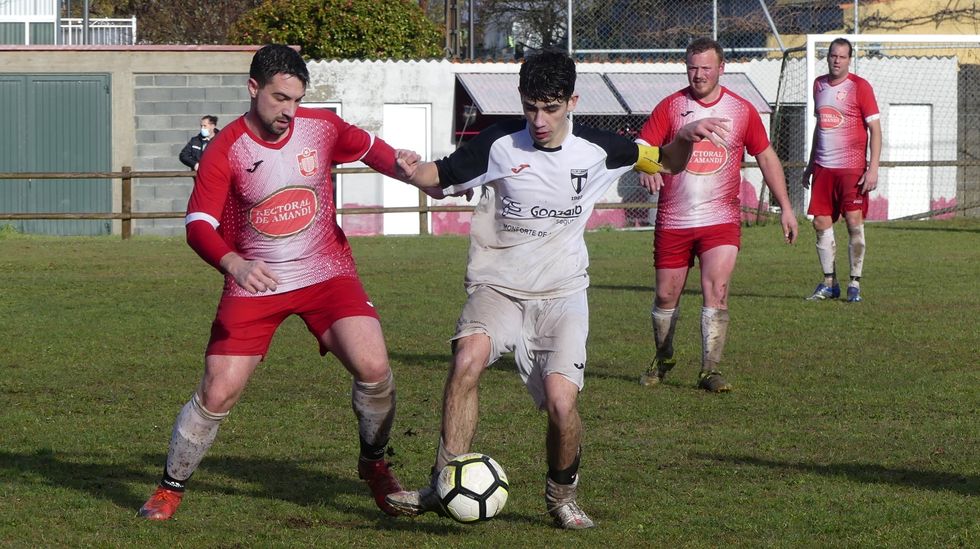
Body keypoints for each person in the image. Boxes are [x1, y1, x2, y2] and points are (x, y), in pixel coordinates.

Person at [383, 49, 731, 529]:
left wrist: (686, 138)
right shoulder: (497, 145)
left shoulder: (603, 148)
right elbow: (436, 176)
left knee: (563, 405)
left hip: (562, 295)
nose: (539, 120)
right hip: (498, 287)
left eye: (550, 107)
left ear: (573, 101)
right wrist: (408, 167)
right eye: (530, 107)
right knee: (467, 360)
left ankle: (561, 497)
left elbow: (669, 163)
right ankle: (443, 483)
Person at [138, 44, 421, 520]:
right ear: (253, 89)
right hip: (255, 282)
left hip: (326, 274)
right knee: (217, 391)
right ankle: (170, 487)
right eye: (279, 98)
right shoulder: (225, 149)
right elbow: (198, 225)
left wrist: (422, 174)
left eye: (296, 99)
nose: (290, 110)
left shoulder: (320, 127)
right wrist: (235, 265)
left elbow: (372, 150)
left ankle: (375, 466)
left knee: (374, 367)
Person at [635, 38, 798, 393]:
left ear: (721, 68)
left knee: (718, 289)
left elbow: (767, 157)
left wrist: (785, 207)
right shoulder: (671, 107)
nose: (699, 75)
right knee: (666, 295)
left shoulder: (742, 110)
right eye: (692, 67)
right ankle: (663, 357)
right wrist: (645, 165)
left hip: (721, 219)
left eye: (706, 68)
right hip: (675, 219)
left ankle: (710, 370)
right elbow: (643, 147)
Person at [802, 37, 881, 303]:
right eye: (833, 56)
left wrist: (873, 168)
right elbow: (820, 127)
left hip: (851, 168)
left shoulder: (860, 87)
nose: (837, 60)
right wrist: (811, 164)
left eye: (842, 56)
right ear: (828, 58)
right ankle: (829, 283)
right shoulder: (819, 85)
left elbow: (875, 130)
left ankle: (854, 284)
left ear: (849, 59)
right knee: (820, 222)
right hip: (824, 167)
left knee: (853, 222)